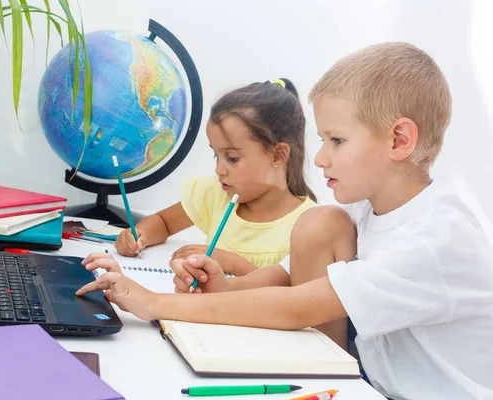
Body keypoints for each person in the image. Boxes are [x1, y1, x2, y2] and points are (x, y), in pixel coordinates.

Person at [77, 42, 493, 399]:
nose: (319, 158)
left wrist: (154, 305)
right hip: (373, 378)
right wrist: (227, 284)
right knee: (320, 223)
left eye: (337, 140)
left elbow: (298, 306)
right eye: (323, 140)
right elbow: (284, 277)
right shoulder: (361, 210)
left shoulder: (434, 239)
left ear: (399, 140)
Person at [115, 78, 316, 275]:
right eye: (216, 154)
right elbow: (164, 222)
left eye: (232, 158)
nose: (219, 169)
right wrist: (139, 236)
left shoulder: (309, 226)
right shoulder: (216, 194)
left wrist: (233, 264)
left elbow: (294, 297)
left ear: (278, 155)